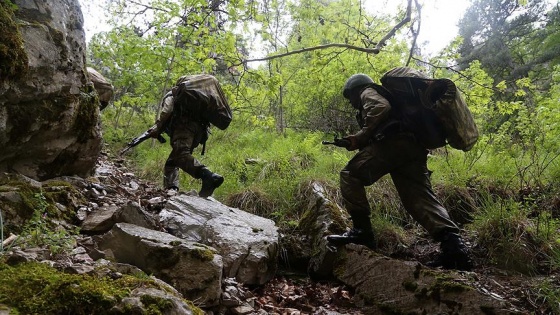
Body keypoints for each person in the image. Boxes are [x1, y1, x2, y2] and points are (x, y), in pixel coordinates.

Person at [326, 73, 472, 271]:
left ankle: (362, 232)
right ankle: (455, 249)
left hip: (393, 145)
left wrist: (362, 135)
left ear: (355, 89)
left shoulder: (367, 91)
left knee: (350, 175)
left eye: (349, 96)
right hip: (413, 148)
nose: (351, 103)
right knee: (420, 199)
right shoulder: (389, 97)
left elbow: (380, 108)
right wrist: (357, 140)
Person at [148, 75, 224, 198]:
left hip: (183, 127)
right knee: (172, 162)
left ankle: (208, 176)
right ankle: (171, 189)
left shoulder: (174, 93)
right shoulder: (199, 97)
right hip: (198, 132)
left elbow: (167, 110)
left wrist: (157, 127)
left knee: (180, 155)